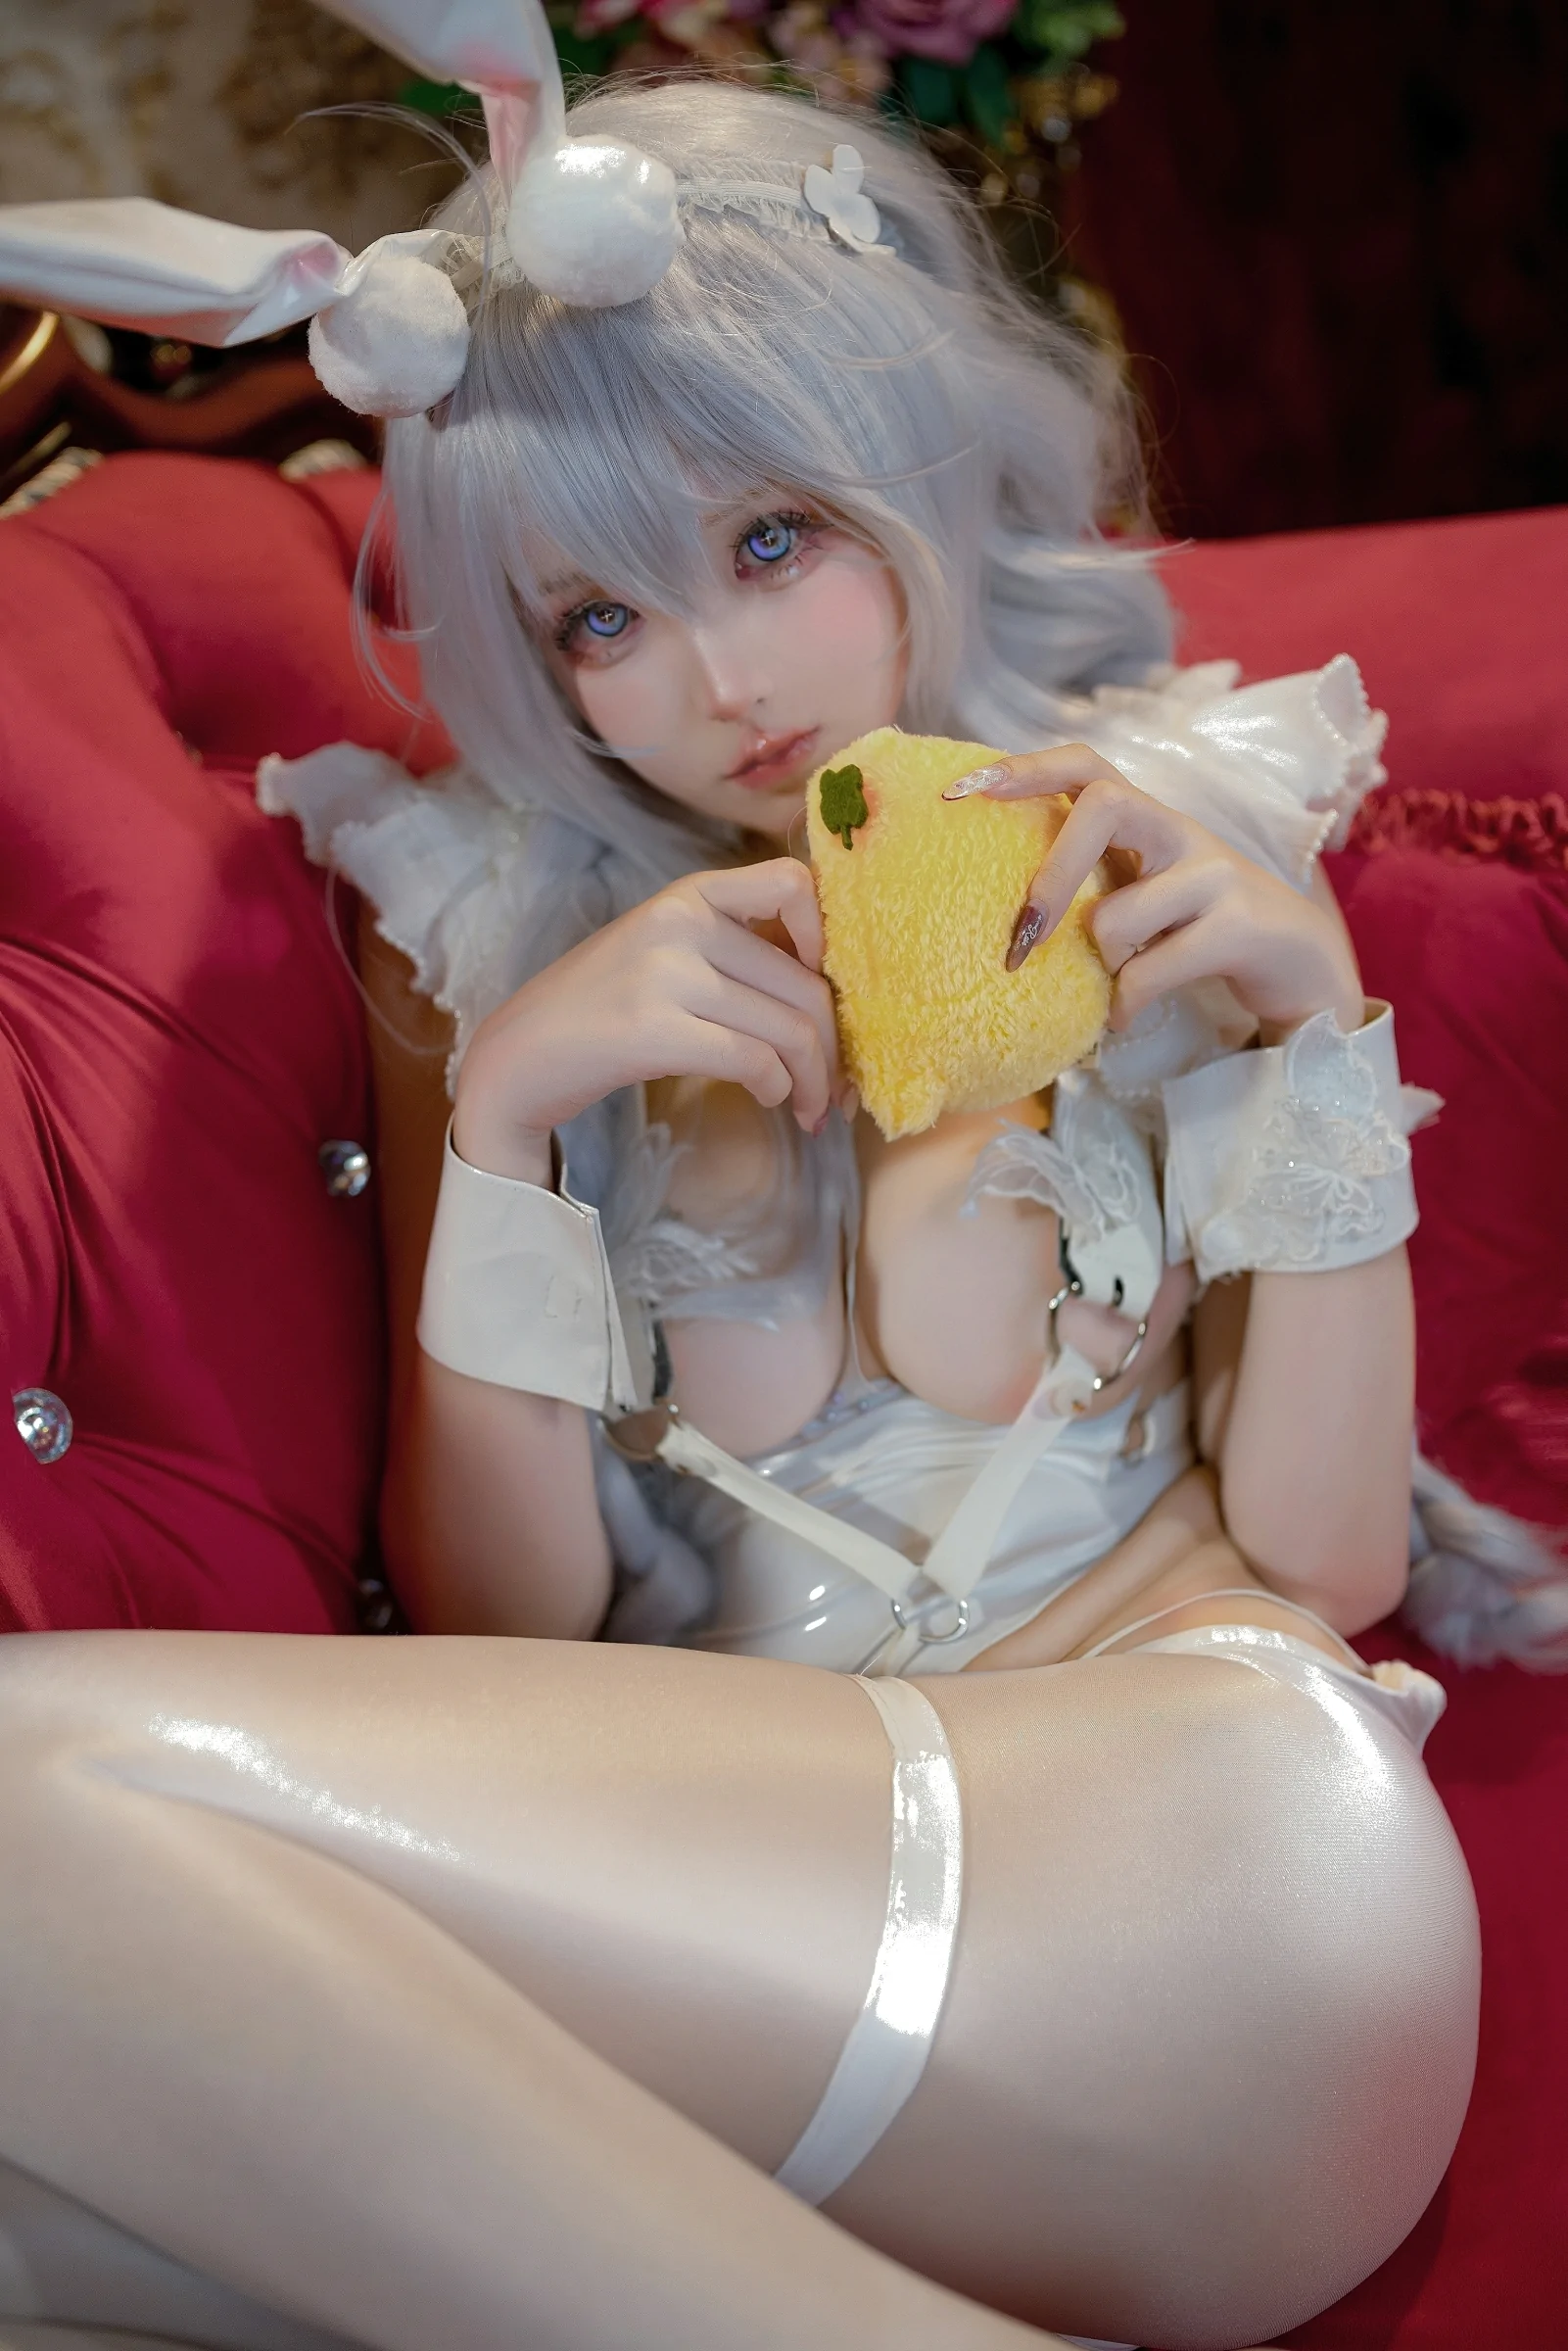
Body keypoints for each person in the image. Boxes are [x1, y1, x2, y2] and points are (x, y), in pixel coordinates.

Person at [0, 23, 1482, 2351]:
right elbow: (507, 1630)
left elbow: (1328, 1556)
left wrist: (1315, 1043)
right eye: (597, 619)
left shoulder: (1157, 857)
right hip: (770, 1949)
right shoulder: (499, 945)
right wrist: (507, 1119)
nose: (713, 677)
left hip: (1205, 1861)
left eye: (768, 541)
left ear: (906, 461)